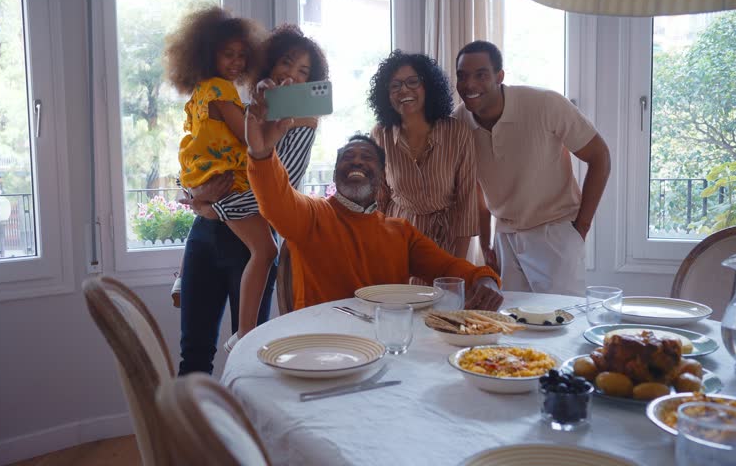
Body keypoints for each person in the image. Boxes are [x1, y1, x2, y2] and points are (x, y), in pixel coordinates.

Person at [171, 22, 329, 375]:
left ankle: (239, 429)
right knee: (193, 355)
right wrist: (194, 195)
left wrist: (210, 206)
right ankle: (186, 430)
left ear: (311, 82)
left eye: (304, 71)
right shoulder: (240, 107)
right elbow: (199, 157)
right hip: (203, 235)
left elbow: (272, 191)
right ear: (270, 63)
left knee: (247, 357)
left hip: (247, 241)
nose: (292, 74)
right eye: (287, 62)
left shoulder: (302, 122)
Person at [243, 111, 503, 310]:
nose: (356, 160)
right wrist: (262, 153)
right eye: (348, 156)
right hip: (322, 352)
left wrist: (484, 279)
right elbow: (275, 200)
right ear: (335, 173)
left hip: (388, 349)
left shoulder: (400, 232)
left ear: (382, 176)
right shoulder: (311, 216)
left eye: (367, 157)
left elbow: (448, 267)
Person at [452, 40, 611, 296]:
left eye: (481, 75)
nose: (470, 84)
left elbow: (600, 156)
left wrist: (581, 227)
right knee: (511, 326)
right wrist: (485, 241)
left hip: (555, 232)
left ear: (499, 76)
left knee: (563, 324)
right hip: (505, 236)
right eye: (462, 76)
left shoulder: (546, 104)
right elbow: (475, 187)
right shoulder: (458, 122)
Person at [367, 51, 478, 264]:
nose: (404, 90)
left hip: (445, 242)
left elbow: (466, 203)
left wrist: (457, 266)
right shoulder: (381, 135)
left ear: (427, 86)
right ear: (386, 95)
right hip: (396, 240)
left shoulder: (458, 132)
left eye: (412, 82)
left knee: (442, 297)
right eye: (395, 85)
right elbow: (378, 200)